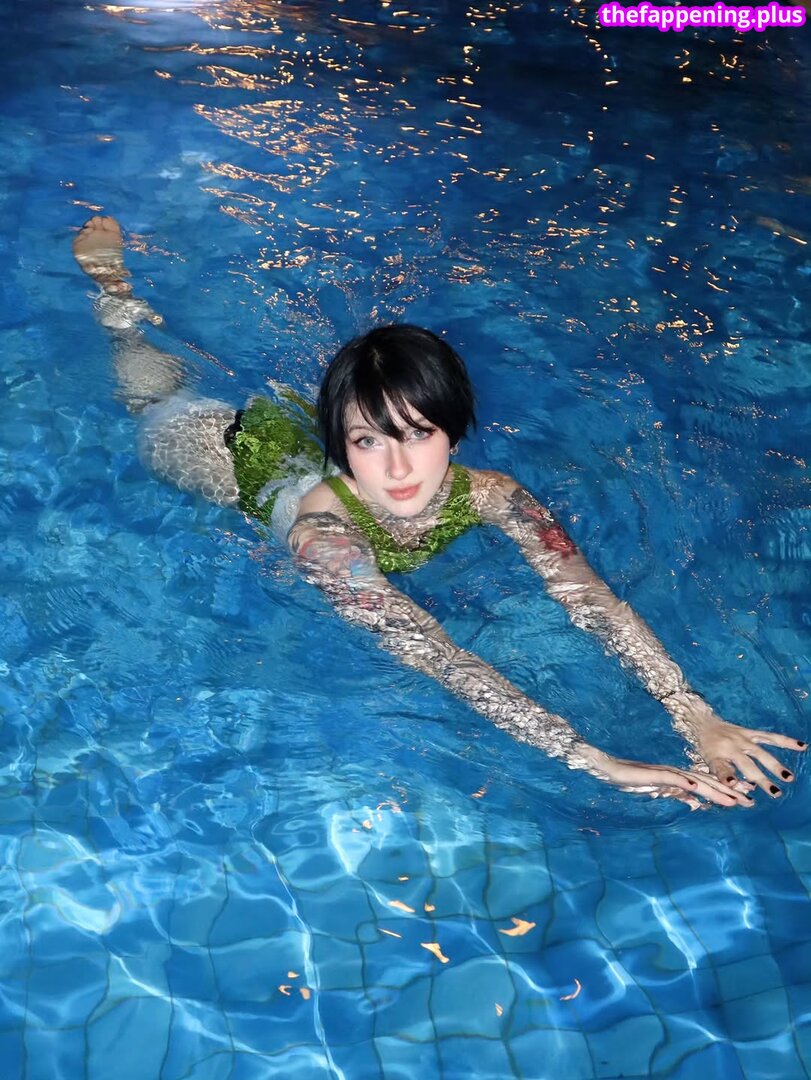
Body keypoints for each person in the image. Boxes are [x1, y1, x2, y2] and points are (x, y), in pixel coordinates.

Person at [74, 215, 806, 810]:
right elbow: (440, 657)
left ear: (453, 432)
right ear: (343, 445)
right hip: (224, 456)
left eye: (417, 434)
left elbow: (593, 603)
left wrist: (693, 713)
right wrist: (596, 761)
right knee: (155, 403)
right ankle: (116, 302)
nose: (397, 469)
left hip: (314, 451)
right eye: (367, 441)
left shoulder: (497, 496)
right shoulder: (321, 539)